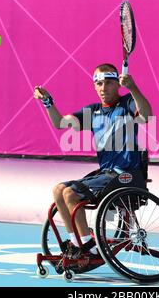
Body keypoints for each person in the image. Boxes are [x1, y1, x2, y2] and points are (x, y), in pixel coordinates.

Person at [33, 63, 152, 260]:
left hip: (127, 174)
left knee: (71, 194)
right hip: (106, 174)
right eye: (99, 84)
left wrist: (133, 87)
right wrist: (47, 101)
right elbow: (60, 123)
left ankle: (91, 248)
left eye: (108, 83)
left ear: (117, 84)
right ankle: (75, 242)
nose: (103, 88)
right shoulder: (92, 111)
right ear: (94, 86)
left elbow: (147, 115)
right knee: (58, 190)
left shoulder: (128, 103)